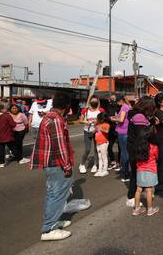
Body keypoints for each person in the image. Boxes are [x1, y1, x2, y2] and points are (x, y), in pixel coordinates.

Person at [29, 92, 74, 241]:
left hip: (51, 163)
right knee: (57, 194)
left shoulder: (49, 116)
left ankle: (53, 221)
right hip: (56, 163)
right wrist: (67, 166)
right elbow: (60, 146)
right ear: (66, 106)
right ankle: (49, 228)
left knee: (53, 194)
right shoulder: (55, 120)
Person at [127, 96, 157, 207]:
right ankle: (131, 196)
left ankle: (140, 192)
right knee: (136, 172)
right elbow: (142, 134)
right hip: (137, 149)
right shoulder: (139, 116)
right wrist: (153, 126)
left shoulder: (138, 115)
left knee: (139, 172)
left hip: (136, 147)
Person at [132, 123, 160, 217]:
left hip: (140, 170)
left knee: (138, 189)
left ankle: (136, 209)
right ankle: (150, 209)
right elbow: (156, 157)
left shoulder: (138, 146)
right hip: (151, 170)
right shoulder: (154, 147)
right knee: (149, 190)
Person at [78, 95, 104, 174]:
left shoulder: (101, 110)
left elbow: (104, 120)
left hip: (97, 132)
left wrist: (97, 123)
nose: (94, 102)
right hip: (87, 131)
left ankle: (95, 165)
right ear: (90, 102)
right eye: (92, 101)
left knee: (96, 149)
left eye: (95, 101)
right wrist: (87, 122)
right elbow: (80, 120)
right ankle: (82, 164)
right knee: (87, 149)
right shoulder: (85, 110)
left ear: (98, 101)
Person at [111, 95, 132, 182]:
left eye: (116, 101)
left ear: (120, 101)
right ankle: (124, 172)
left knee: (124, 153)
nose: (116, 103)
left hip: (123, 132)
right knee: (125, 152)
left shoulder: (124, 107)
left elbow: (121, 120)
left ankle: (125, 174)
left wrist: (113, 119)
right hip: (125, 131)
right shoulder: (128, 107)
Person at [105, 93, 120, 170]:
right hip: (111, 129)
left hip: (119, 129)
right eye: (111, 99)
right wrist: (110, 118)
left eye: (114, 99)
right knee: (109, 146)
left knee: (120, 147)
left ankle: (119, 163)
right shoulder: (108, 107)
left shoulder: (120, 107)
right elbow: (106, 117)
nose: (113, 100)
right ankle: (113, 161)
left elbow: (121, 117)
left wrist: (115, 118)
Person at [94, 112, 110, 177]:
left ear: (103, 119)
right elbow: (94, 131)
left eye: (98, 118)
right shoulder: (97, 124)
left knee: (104, 156)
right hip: (98, 142)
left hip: (104, 143)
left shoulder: (106, 124)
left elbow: (107, 131)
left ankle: (105, 170)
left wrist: (100, 128)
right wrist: (95, 129)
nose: (97, 119)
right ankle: (100, 169)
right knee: (99, 157)